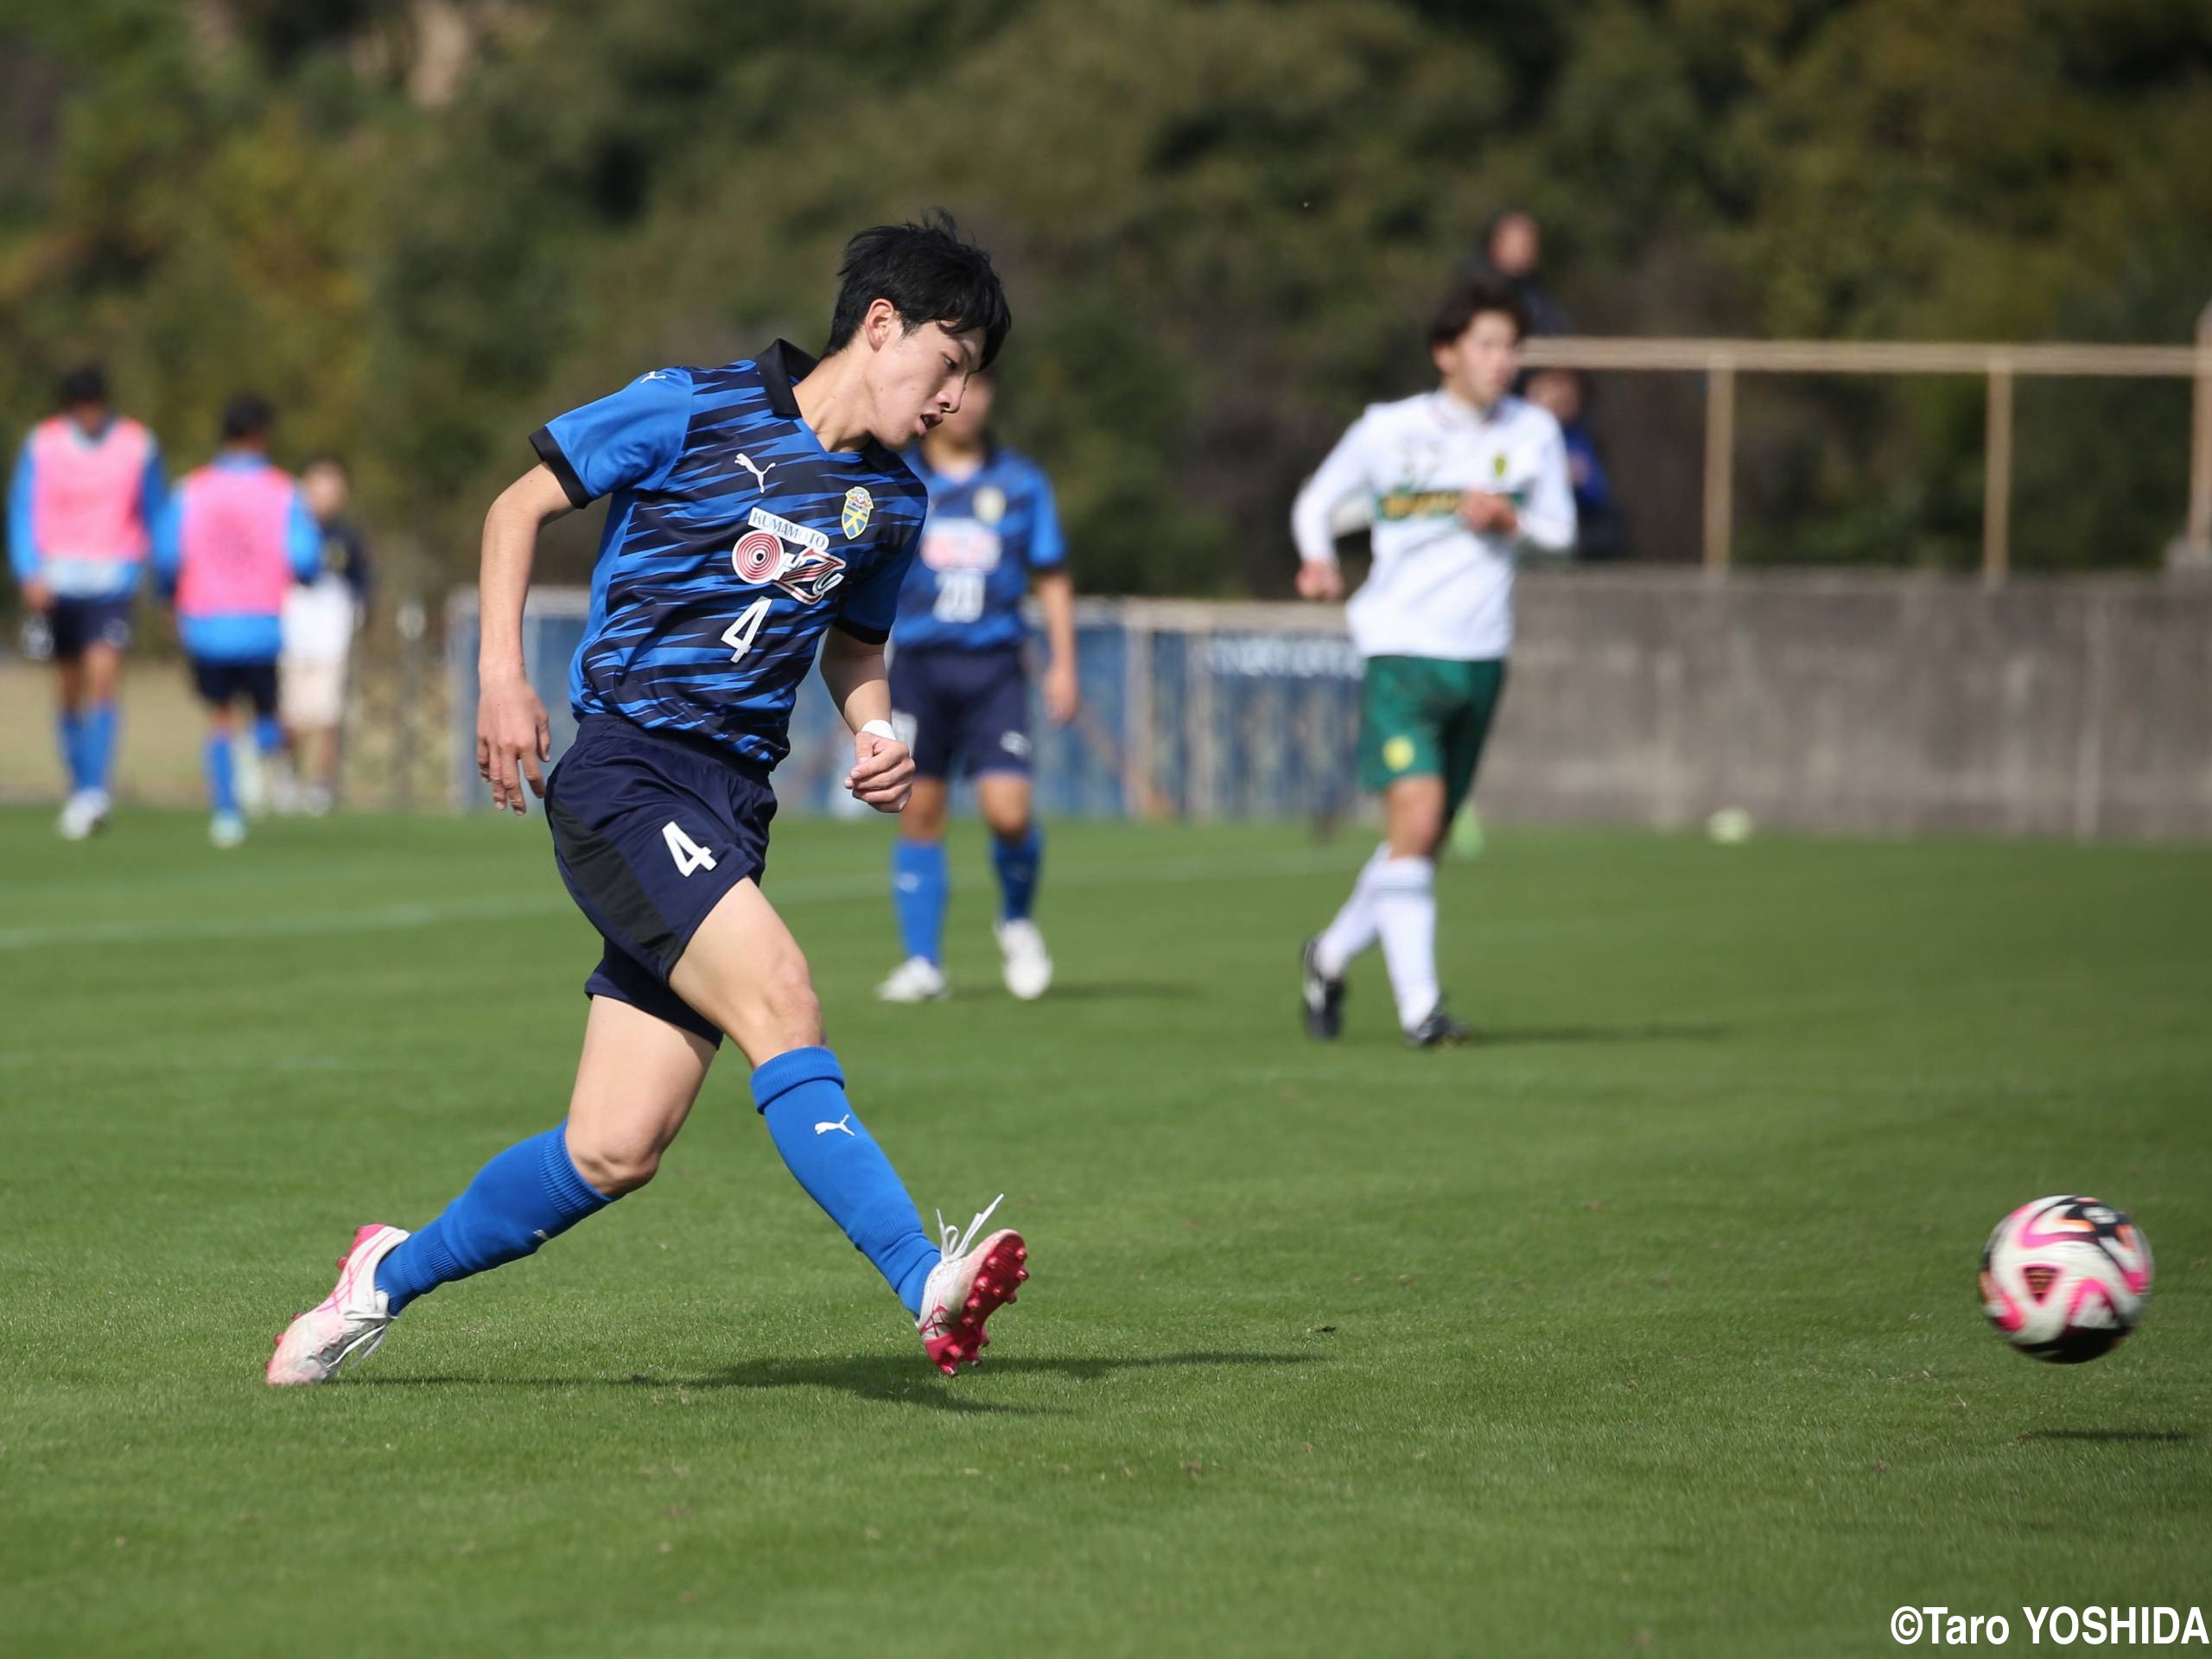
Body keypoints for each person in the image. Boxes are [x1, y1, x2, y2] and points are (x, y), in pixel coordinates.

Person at [267, 216, 1029, 1388]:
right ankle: (921, 1274)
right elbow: (515, 507)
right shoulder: (691, 406)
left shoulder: (894, 503)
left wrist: (880, 733)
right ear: (883, 327)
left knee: (615, 1148)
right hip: (628, 772)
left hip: (730, 805)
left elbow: (856, 648)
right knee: (784, 997)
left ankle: (381, 1275)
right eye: (952, 363)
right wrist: (502, 676)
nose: (954, 397)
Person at [1290, 277, 1575, 1047]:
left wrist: (1511, 517)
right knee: (1416, 824)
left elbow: (1562, 531)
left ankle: (1328, 955)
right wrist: (1318, 560)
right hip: (1401, 653)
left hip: (1482, 658)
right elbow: (1315, 502)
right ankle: (1423, 1013)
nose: (1502, 360)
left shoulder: (1535, 434)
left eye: (1512, 346)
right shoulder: (1389, 430)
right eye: (1487, 344)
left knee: (1423, 840)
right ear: (1446, 352)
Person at [875, 372, 1076, 1003]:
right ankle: (923, 964)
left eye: (980, 387)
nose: (963, 402)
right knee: (921, 813)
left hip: (993, 669)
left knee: (1008, 812)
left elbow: (1051, 575)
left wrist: (1063, 663)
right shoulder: (896, 478)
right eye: (949, 384)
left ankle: (1016, 919)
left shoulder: (1020, 482)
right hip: (918, 668)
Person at [6, 364, 168, 839]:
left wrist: (158, 576)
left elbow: (154, 511)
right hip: (57, 583)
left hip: (112, 581)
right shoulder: (44, 445)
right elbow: (22, 509)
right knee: (68, 687)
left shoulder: (137, 444)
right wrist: (28, 571)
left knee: (104, 678)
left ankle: (97, 789)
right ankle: (78, 783)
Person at [154, 396, 321, 849]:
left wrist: (169, 595)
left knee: (219, 719)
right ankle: (256, 759)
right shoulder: (283, 491)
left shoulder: (191, 489)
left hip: (206, 622)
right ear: (262, 435)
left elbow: (168, 557)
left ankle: (227, 815)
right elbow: (305, 558)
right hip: (260, 623)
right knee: (266, 714)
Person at [277, 456, 372, 813]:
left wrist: (360, 611)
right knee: (292, 713)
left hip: (332, 635)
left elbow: (362, 580)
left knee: (329, 714)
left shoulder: (347, 535)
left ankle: (322, 784)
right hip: (293, 633)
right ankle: (287, 776)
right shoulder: (289, 529)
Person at [1525, 368, 1623, 560]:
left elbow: (1598, 494)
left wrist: (1580, 479)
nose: (1562, 394)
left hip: (1571, 529)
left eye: (1568, 385)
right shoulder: (1513, 427)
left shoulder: (1579, 436)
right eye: (1554, 383)